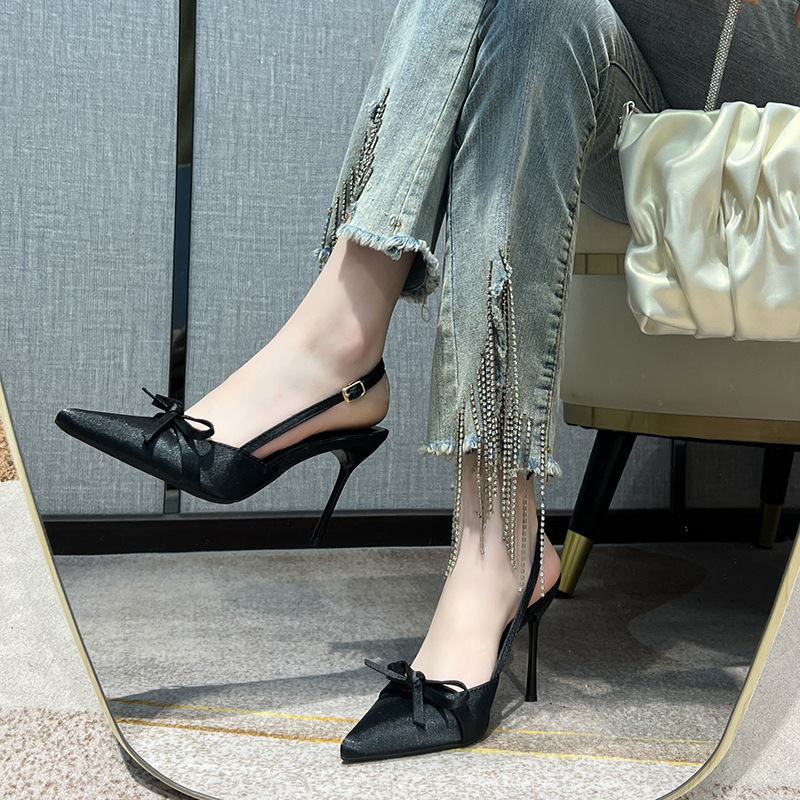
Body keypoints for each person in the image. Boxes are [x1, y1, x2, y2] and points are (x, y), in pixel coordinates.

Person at [57, 0, 800, 763]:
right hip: (637, 108)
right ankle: (498, 538)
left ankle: (336, 354)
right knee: (543, 17)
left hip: (769, 111)